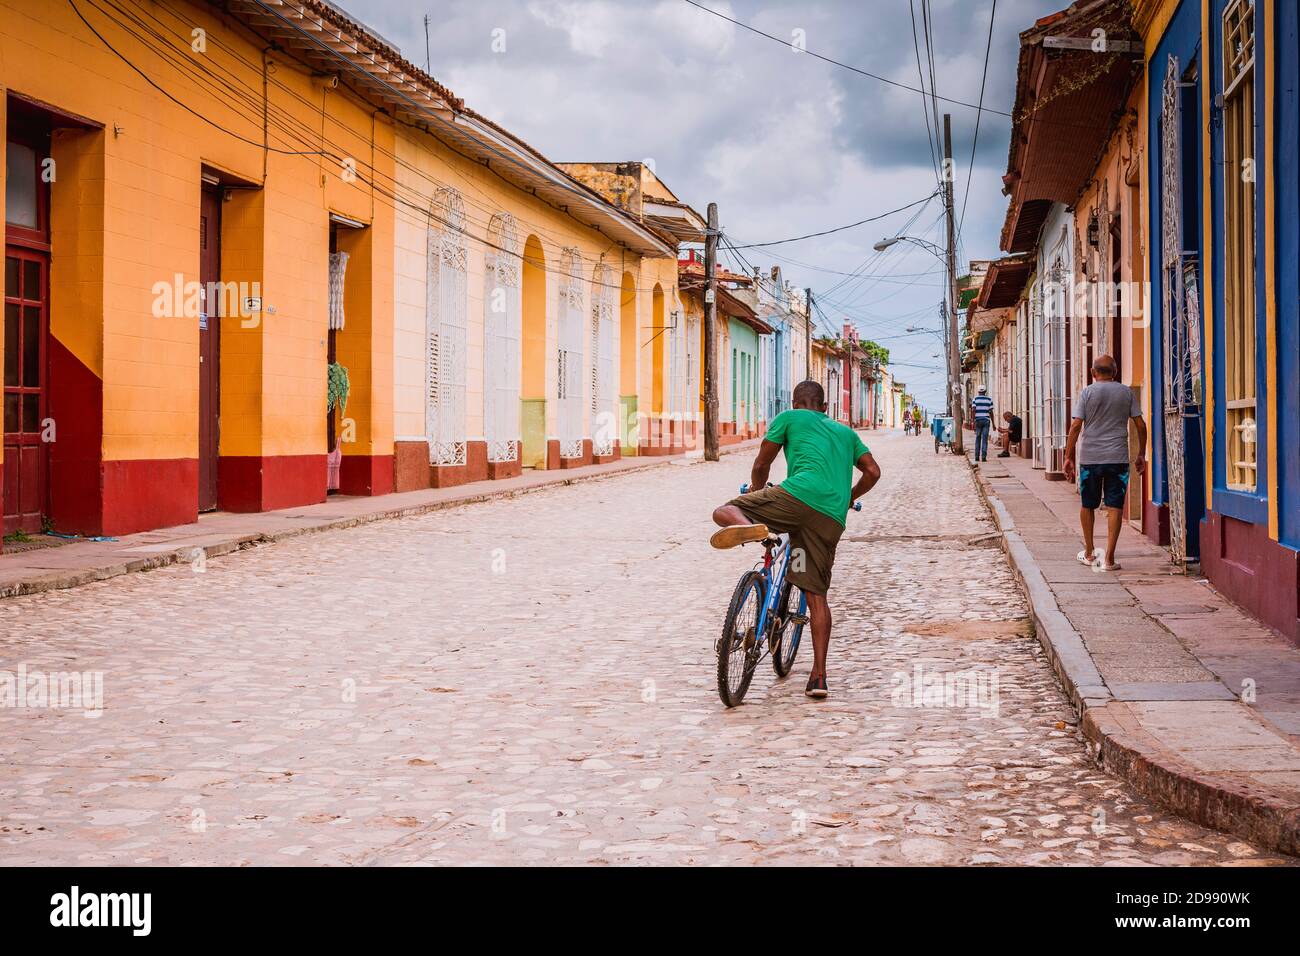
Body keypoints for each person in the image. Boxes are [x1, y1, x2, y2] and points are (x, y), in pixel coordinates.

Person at [710, 380, 881, 699]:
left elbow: (762, 463)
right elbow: (872, 471)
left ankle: (753, 525)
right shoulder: (846, 433)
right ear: (825, 407)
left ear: (795, 402)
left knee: (725, 510)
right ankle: (818, 677)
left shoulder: (788, 418)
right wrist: (848, 497)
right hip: (829, 518)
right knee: (816, 594)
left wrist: (759, 493)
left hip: (795, 499)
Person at [1063, 354, 1147, 572]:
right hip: (1118, 458)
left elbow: (1075, 427)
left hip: (1091, 459)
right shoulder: (1126, 393)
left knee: (1087, 504)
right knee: (1115, 506)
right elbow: (1140, 425)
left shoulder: (1087, 393)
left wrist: (1068, 456)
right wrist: (1141, 454)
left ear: (1093, 372)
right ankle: (1109, 559)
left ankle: (1090, 554)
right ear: (1115, 372)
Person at [971, 386, 994, 462]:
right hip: (986, 421)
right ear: (985, 391)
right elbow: (991, 412)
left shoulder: (975, 399)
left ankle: (977, 457)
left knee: (978, 438)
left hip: (978, 420)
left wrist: (973, 421)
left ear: (978, 391)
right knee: (984, 439)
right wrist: (993, 424)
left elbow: (973, 410)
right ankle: (984, 457)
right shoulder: (989, 400)